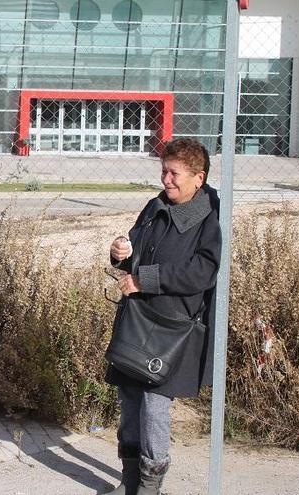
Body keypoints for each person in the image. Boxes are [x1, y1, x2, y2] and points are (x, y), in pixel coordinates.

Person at [102, 138, 220, 495]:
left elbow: (203, 272)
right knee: (130, 399)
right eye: (164, 171)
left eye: (174, 173)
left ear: (198, 178)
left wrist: (145, 279)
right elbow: (135, 247)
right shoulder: (154, 205)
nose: (166, 179)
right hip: (137, 319)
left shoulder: (210, 219)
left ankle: (150, 487)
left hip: (171, 328)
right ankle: (130, 480)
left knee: (154, 407)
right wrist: (121, 252)